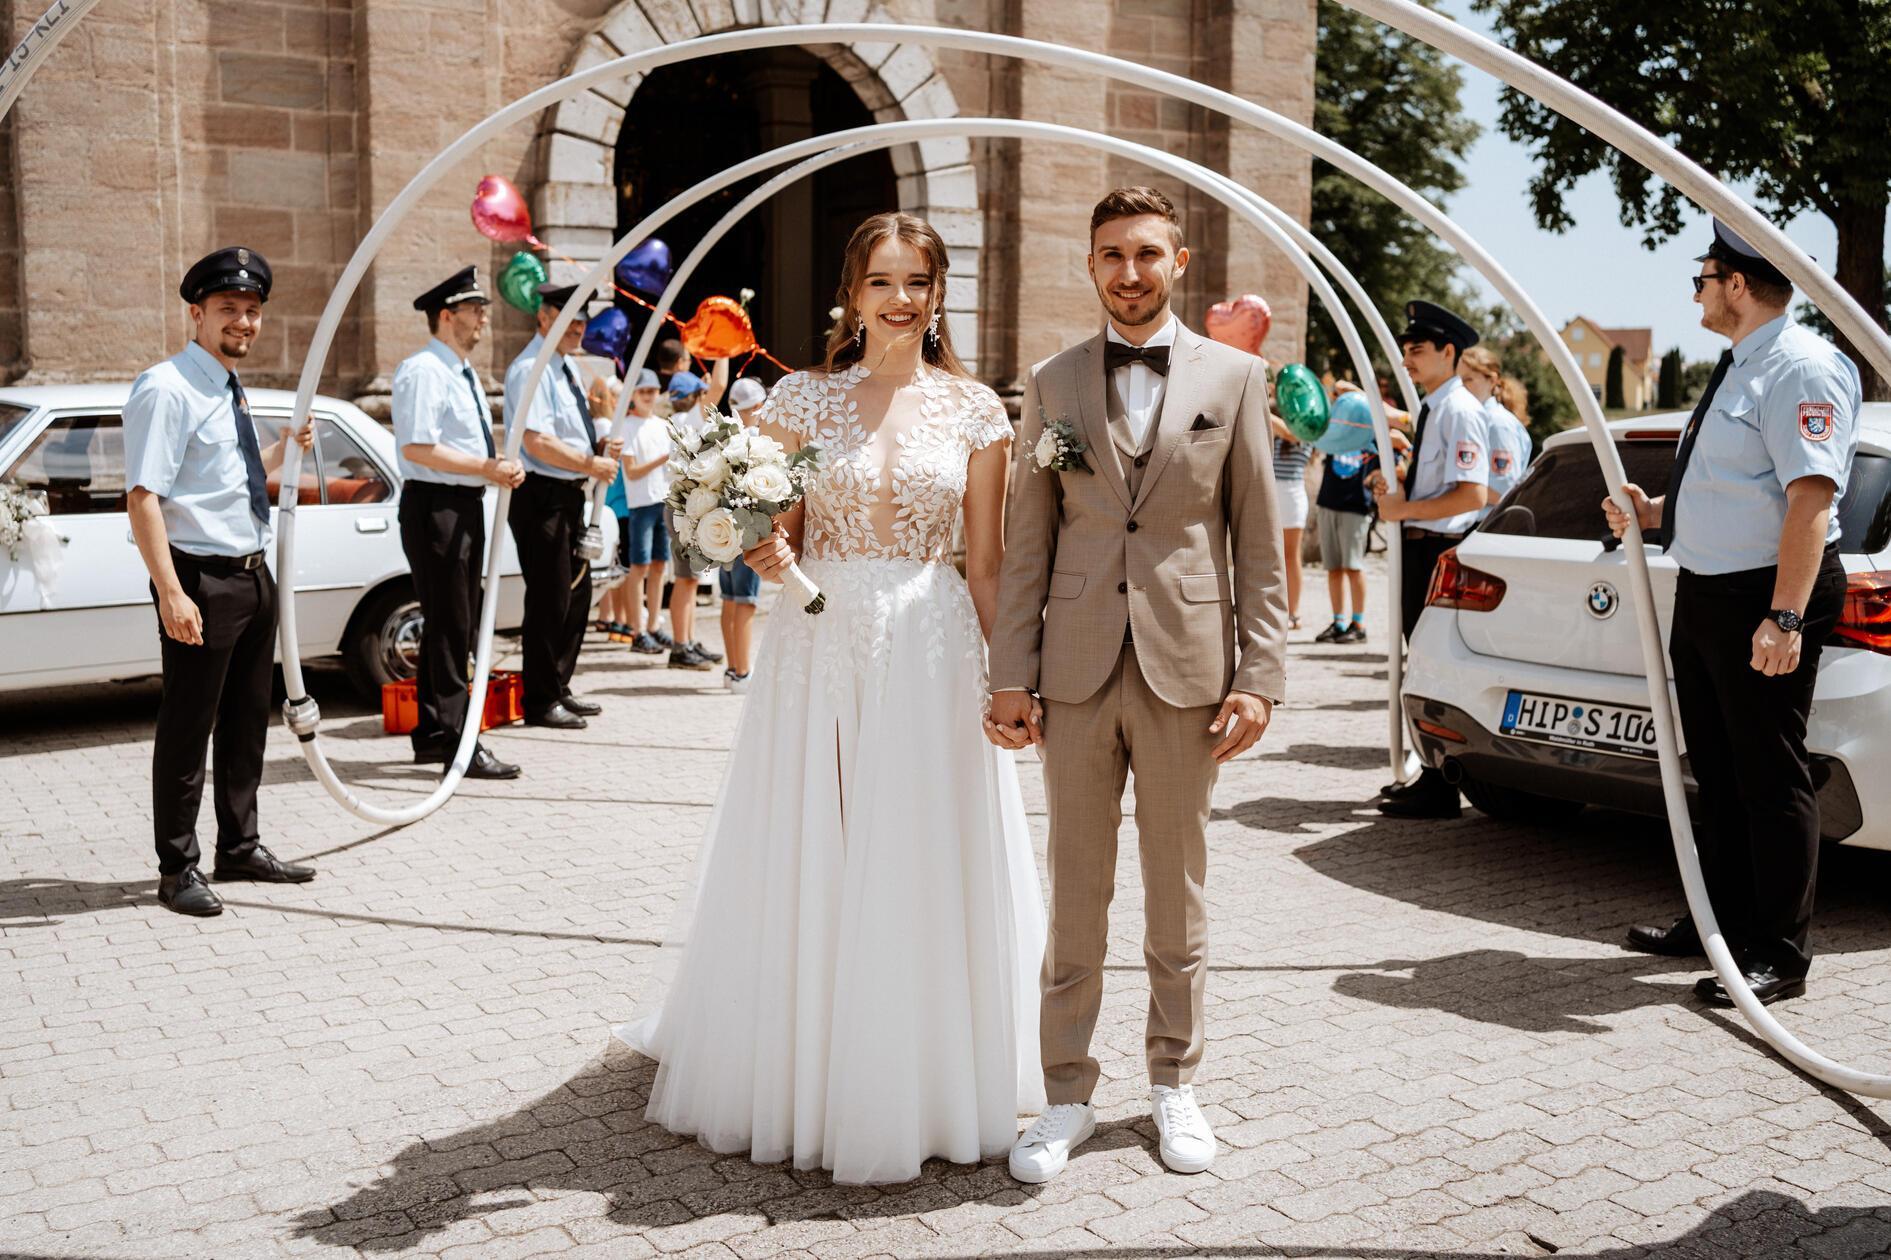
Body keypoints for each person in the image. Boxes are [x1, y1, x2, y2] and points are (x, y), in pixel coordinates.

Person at [617, 212, 1043, 1185]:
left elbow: (986, 565)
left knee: (916, 844)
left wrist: (1012, 677)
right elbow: (775, 531)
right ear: (850, 294)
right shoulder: (800, 400)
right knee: (821, 835)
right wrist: (758, 545)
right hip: (819, 638)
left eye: (917, 281)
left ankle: (926, 1070)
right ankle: (805, 1066)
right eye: (881, 280)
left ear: (938, 295)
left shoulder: (978, 410)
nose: (900, 299)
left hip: (932, 643)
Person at [991, 186, 1288, 1183]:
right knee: (1075, 894)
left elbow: (1258, 542)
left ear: (1178, 262)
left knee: (1177, 890)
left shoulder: (1236, 378)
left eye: (1146, 253)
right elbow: (1028, 539)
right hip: (1073, 674)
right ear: (1089, 264)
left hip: (1189, 674)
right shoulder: (1051, 382)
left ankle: (1174, 1083)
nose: (1129, 272)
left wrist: (1259, 674)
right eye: (1111, 254)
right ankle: (1065, 1094)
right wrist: (1010, 673)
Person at [1606, 219, 1859, 1008]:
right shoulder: (1740, 363)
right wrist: (1654, 512)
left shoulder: (1800, 365)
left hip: (1763, 595)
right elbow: (1734, 486)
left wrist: (1783, 617)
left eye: (1702, 280)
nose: (1695, 295)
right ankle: (1717, 922)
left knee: (1769, 777)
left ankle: (1777, 954)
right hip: (1709, 589)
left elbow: (1808, 501)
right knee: (1715, 771)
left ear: (1738, 285)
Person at [124, 247, 317, 917]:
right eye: (228, 308)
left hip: (251, 576)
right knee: (188, 729)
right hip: (201, 581)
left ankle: (239, 846)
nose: (243, 321)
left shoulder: (225, 385)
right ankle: (177, 869)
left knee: (245, 724)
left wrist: (284, 447)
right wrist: (171, 592)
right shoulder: (167, 387)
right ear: (196, 314)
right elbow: (143, 497)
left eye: (252, 310)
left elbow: (224, 478)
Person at [389, 266, 523, 781]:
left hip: (459, 503)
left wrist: (492, 466)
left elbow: (454, 444)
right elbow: (418, 447)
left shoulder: (458, 371)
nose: (483, 319)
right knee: (452, 626)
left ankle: (432, 732)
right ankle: (457, 742)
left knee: (451, 622)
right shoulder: (426, 370)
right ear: (446, 316)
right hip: (436, 506)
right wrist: (487, 467)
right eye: (474, 310)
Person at [1368, 300, 1489, 820]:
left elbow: (1472, 494)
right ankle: (1433, 772)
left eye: (1416, 349)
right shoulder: (1437, 408)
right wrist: (1398, 483)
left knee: (1432, 665)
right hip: (1421, 546)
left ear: (1448, 351)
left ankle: (1442, 781)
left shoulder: (1458, 410)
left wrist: (1404, 509)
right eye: (1405, 350)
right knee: (1420, 661)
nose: (1407, 359)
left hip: (1438, 550)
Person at [504, 281, 621, 729]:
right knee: (549, 598)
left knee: (575, 594)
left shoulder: (564, 365)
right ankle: (539, 699)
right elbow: (536, 441)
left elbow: (567, 432)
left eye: (582, 321)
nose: (578, 329)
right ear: (544, 317)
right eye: (569, 320)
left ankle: (557, 685)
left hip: (569, 493)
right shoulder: (530, 369)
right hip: (542, 494)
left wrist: (598, 446)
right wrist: (591, 462)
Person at [660, 371, 723, 673]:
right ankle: (680, 646)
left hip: (683, 506)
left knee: (690, 580)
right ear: (697, 396)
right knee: (685, 580)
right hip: (682, 509)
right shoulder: (689, 419)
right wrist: (723, 350)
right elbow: (720, 385)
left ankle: (688, 640)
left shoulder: (678, 420)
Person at [608, 369, 672, 655]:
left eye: (651, 391)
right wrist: (663, 459)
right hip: (640, 504)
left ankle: (654, 625)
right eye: (642, 391)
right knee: (639, 567)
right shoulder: (627, 426)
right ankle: (637, 630)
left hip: (663, 500)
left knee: (659, 566)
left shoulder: (663, 425)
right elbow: (632, 472)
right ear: (633, 395)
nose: (647, 396)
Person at [717, 375, 769, 691]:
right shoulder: (755, 440)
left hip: (721, 530)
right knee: (745, 601)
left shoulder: (723, 436)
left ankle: (731, 668)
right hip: (748, 528)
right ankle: (743, 671)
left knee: (729, 600)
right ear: (757, 406)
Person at [1313, 430, 1377, 645]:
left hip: (1356, 506)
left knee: (1353, 566)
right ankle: (1338, 622)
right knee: (1333, 567)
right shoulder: (1336, 430)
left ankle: (1358, 624)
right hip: (1329, 501)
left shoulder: (1373, 433)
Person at [1457, 345, 1531, 516]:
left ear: (1492, 380)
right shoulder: (1473, 419)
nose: (1461, 387)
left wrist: (1456, 484)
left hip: (1486, 523)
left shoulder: (1498, 424)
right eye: (1457, 381)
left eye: (1468, 379)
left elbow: (1504, 493)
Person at [1269, 420, 1309, 630]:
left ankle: (1293, 613)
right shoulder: (1275, 427)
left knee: (1290, 556)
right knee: (1268, 554)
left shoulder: (1308, 425)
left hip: (1292, 493)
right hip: (1269, 490)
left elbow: (1289, 433)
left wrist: (1256, 403)